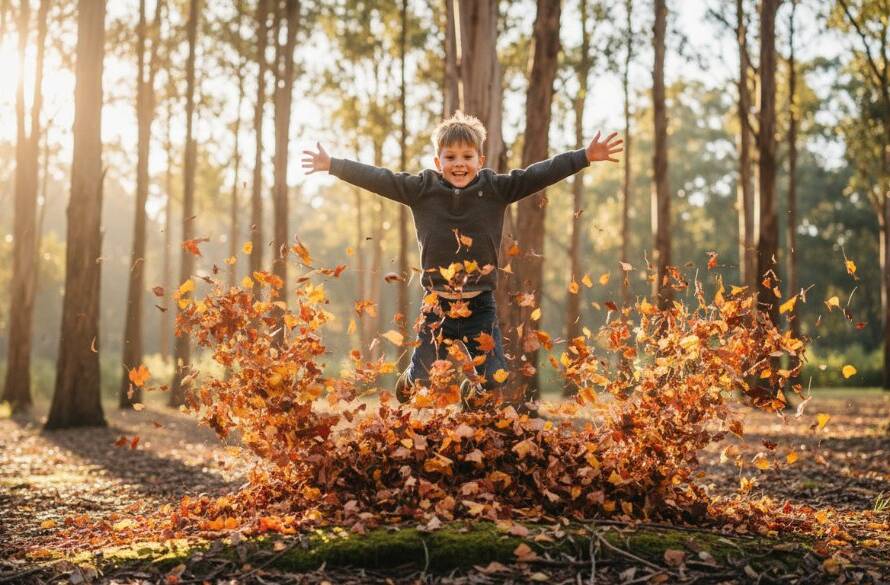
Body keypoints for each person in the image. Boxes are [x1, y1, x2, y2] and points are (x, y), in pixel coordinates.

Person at [302, 111, 622, 408]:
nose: (459, 164)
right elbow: (379, 178)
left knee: (494, 377)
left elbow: (538, 174)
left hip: (479, 305)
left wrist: (584, 157)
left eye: (467, 157)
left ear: (480, 160)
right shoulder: (420, 189)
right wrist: (333, 165)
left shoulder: (496, 188)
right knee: (425, 376)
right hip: (437, 305)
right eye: (451, 157)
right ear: (437, 160)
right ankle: (411, 377)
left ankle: (473, 392)